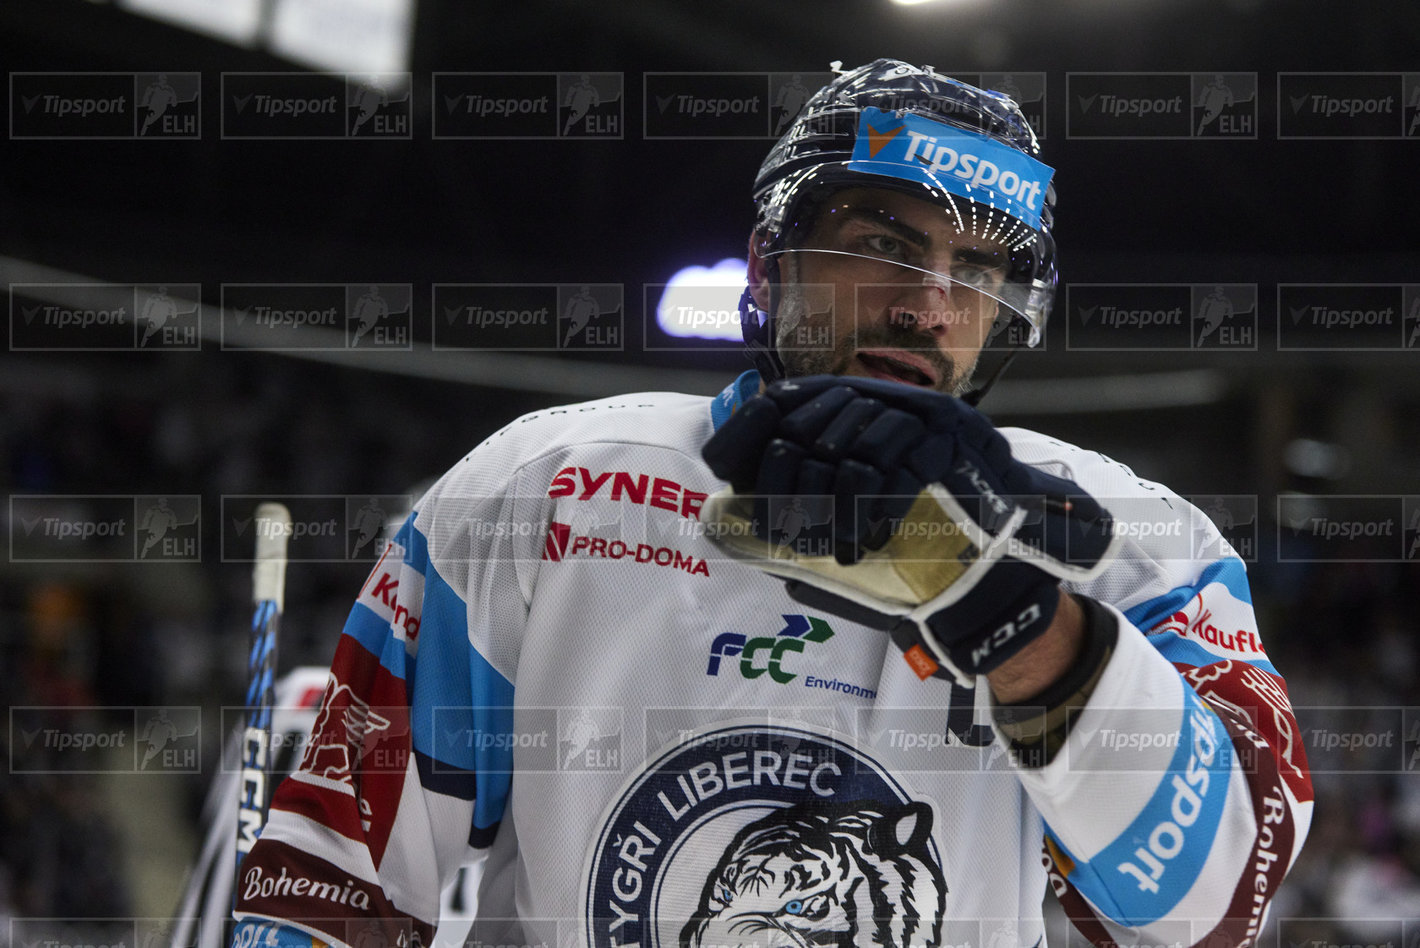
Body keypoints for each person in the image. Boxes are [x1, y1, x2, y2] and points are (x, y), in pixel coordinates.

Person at [233, 61, 1312, 948]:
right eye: (883, 244)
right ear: (764, 265)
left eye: (978, 271)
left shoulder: (1133, 546)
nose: (929, 306)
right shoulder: (547, 485)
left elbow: (1215, 902)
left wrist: (1008, 609)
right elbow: (337, 889)